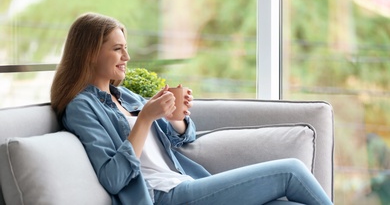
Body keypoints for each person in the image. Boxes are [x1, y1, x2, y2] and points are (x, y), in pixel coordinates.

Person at [51, 12, 333, 205]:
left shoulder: (123, 96)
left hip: (184, 183)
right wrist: (145, 119)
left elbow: (184, 139)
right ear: (90, 53)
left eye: (125, 48)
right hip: (164, 195)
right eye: (117, 49)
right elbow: (114, 178)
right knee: (290, 170)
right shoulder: (81, 107)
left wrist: (176, 119)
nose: (127, 56)